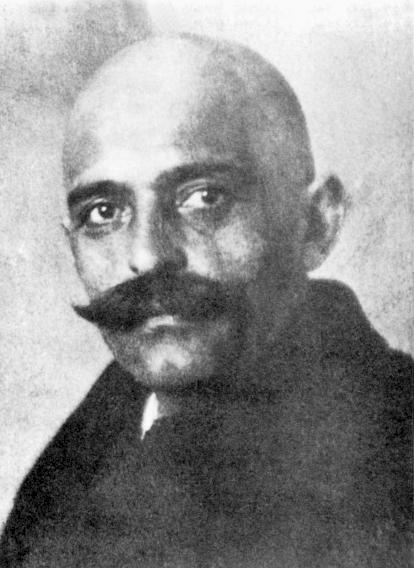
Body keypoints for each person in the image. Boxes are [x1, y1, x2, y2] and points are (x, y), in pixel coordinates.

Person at [0, 34, 412, 568]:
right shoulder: (73, 469)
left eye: (203, 198)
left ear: (314, 224)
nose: (147, 256)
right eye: (103, 212)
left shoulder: (393, 459)